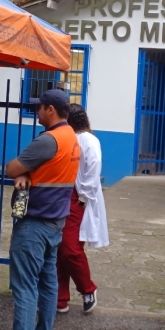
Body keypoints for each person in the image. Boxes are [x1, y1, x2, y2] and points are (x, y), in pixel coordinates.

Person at [0, 89, 80, 330]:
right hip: (55, 222)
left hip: (35, 223)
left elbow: (11, 167)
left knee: (25, 287)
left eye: (40, 108)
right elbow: (42, 171)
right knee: (48, 284)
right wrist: (28, 173)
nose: (36, 113)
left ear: (50, 110)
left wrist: (22, 173)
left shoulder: (48, 140)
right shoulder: (72, 138)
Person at [56, 104, 109, 314]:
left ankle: (87, 289)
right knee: (59, 249)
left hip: (78, 198)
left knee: (70, 249)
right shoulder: (65, 137)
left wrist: (84, 196)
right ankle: (60, 298)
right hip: (61, 196)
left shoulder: (88, 140)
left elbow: (93, 166)